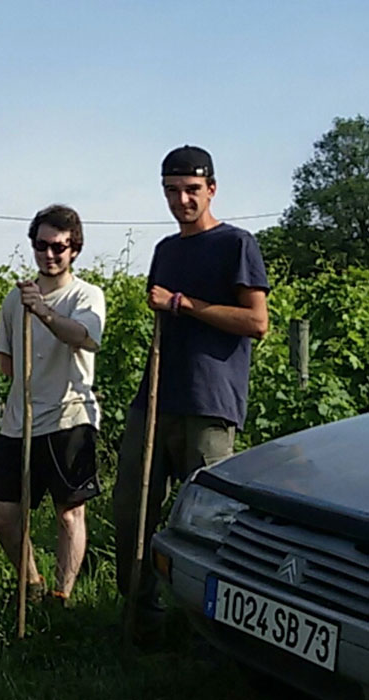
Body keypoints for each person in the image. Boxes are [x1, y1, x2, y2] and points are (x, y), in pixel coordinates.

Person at [114, 146, 269, 644]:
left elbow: (256, 322)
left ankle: (208, 633)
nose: (182, 200)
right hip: (156, 398)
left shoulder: (236, 244)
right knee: (132, 508)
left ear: (212, 189)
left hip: (209, 402)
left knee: (207, 521)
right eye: (172, 191)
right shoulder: (166, 250)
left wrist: (183, 304)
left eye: (191, 191)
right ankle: (140, 618)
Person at [0, 205, 105, 608]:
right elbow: (5, 359)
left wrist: (45, 313)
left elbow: (85, 337)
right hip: (19, 421)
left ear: (74, 249)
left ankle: (62, 595)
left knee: (69, 513)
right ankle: (31, 582)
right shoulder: (13, 299)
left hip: (69, 415)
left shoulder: (85, 295)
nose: (49, 255)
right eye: (41, 246)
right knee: (4, 515)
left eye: (59, 247)